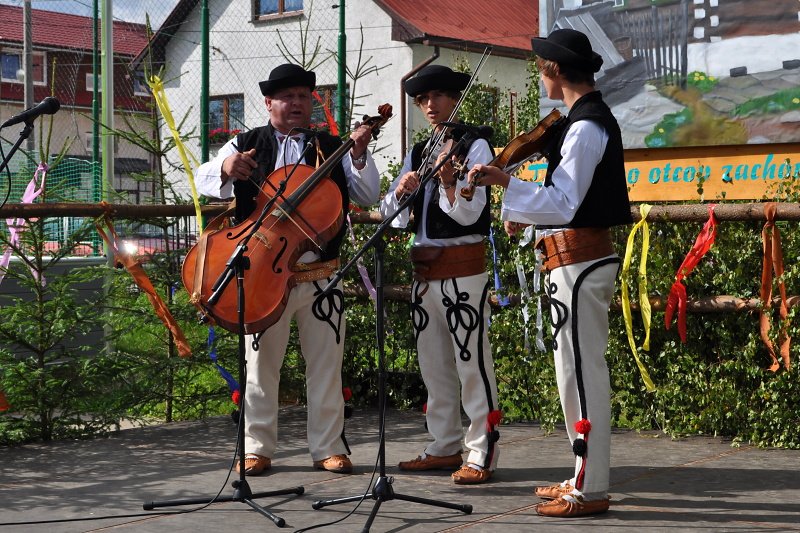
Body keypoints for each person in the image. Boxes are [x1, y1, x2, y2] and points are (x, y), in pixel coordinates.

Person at [468, 29, 632, 516]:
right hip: (572, 261)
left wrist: (507, 181)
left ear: (555, 71)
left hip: (581, 263)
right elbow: (564, 202)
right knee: (572, 372)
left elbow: (564, 202)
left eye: (541, 69)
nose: (540, 76)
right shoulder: (581, 122)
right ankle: (581, 473)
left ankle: (590, 487)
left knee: (582, 373)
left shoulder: (585, 127)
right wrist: (522, 206)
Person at [195, 63, 380, 476]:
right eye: (287, 97)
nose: (297, 103)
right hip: (262, 274)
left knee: (326, 364)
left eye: (302, 96)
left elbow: (368, 194)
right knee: (260, 365)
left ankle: (328, 446)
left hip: (320, 272)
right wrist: (226, 167)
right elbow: (203, 178)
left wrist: (358, 153)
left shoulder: (330, 146)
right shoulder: (247, 143)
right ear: (268, 103)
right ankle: (256, 448)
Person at [380, 64, 501, 485]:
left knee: (472, 363)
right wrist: (402, 192)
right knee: (433, 365)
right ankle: (444, 444)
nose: (429, 105)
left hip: (462, 268)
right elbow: (391, 216)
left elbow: (471, 212)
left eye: (437, 96)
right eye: (422, 99)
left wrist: (449, 184)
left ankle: (482, 451)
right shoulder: (419, 151)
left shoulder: (475, 144)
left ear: (454, 98)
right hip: (424, 271)